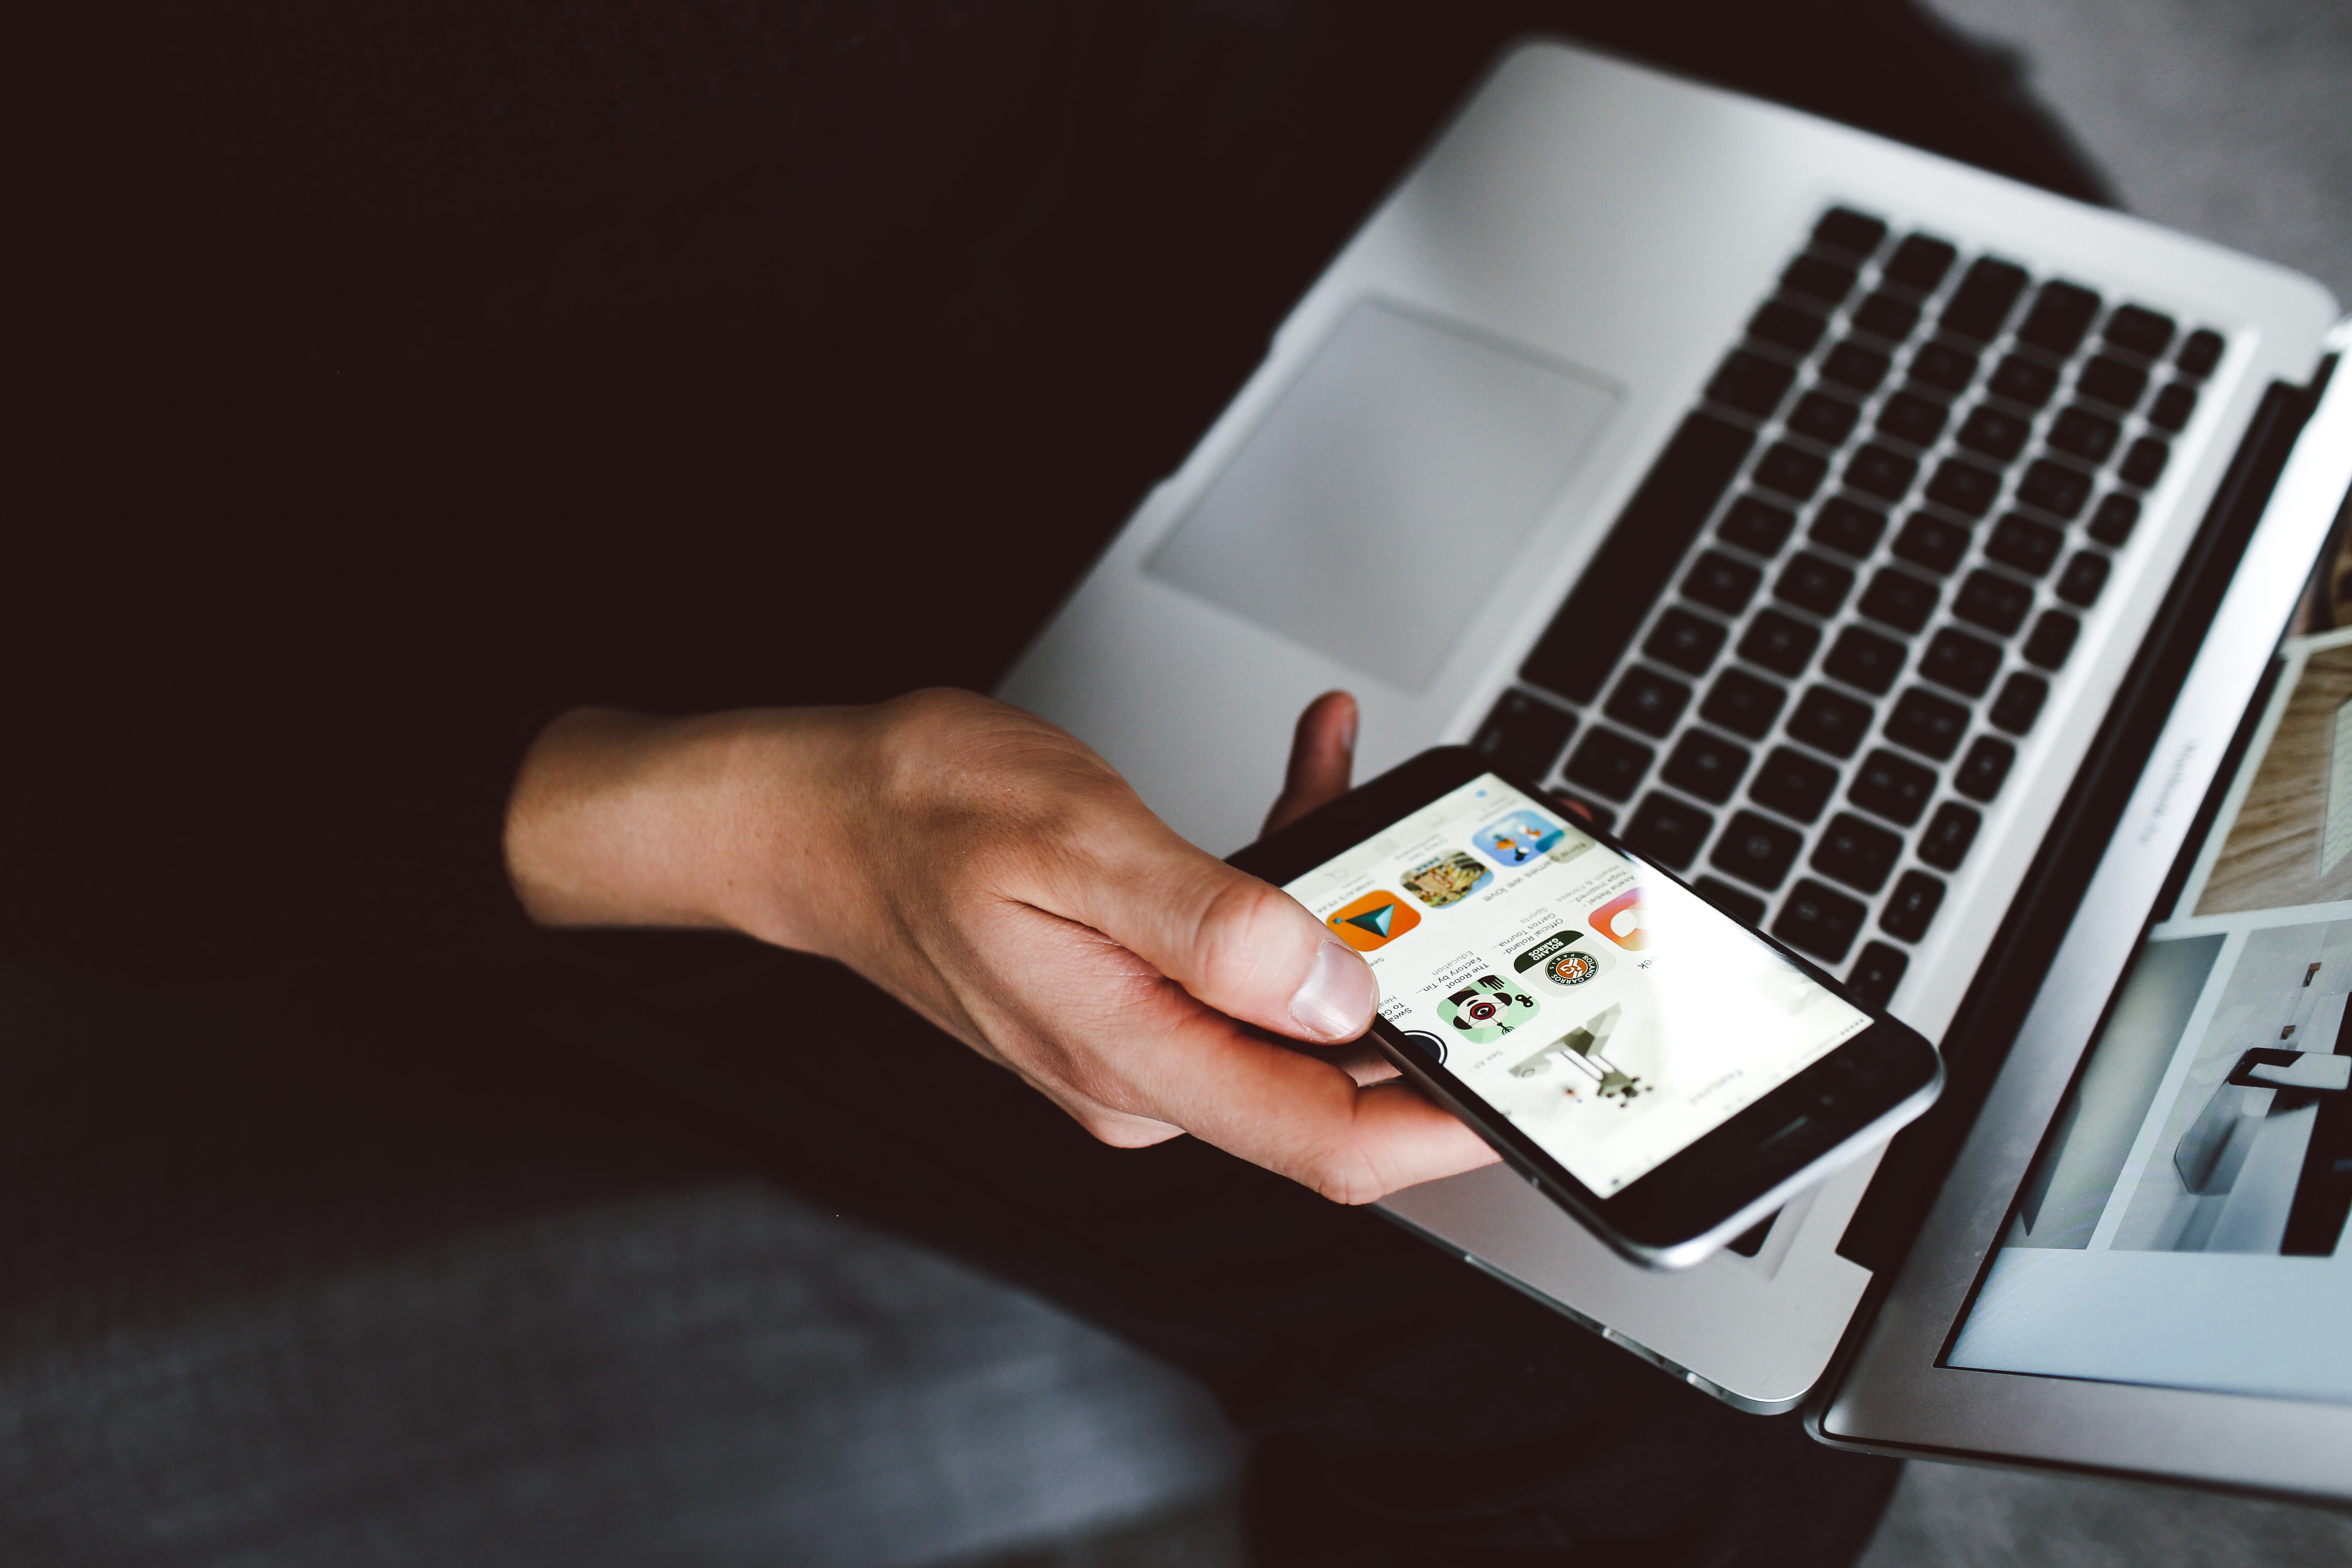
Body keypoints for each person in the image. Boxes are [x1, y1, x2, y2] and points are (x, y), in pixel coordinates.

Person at [12, 2, 2110, 1561]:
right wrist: (772, 827)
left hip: (1223, 141)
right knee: (1662, 1407)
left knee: (2075, 494)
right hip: (568, 627)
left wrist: (1956, 197)